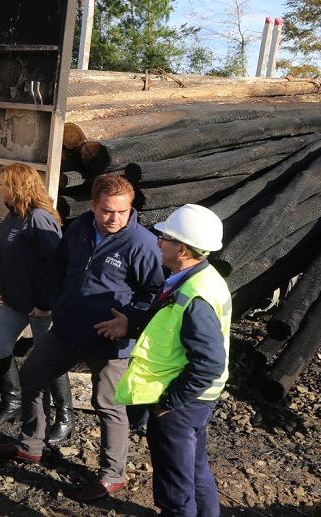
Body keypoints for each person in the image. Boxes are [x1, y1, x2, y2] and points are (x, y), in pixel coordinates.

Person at [0, 174, 164, 503]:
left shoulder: (141, 243)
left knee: (108, 404)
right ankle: (31, 446)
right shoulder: (80, 228)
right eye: (108, 211)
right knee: (32, 375)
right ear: (93, 205)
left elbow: (153, 294)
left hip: (108, 339)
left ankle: (112, 475)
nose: (116, 219)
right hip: (67, 328)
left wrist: (130, 322)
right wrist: (49, 302)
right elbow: (59, 266)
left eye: (123, 212)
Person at [97, 204, 232, 517]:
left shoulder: (195, 296)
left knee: (175, 489)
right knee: (196, 470)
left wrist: (169, 402)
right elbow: (171, 325)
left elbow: (209, 363)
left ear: (182, 249)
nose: (158, 242)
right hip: (195, 402)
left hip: (180, 404)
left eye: (164, 238)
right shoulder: (199, 278)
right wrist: (131, 324)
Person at [0, 163, 75, 444]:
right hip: (15, 300)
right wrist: (3, 283)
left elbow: (56, 264)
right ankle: (13, 403)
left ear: (17, 187)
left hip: (40, 306)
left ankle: (65, 416)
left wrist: (46, 304)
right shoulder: (13, 216)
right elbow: (10, 255)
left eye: (3, 184)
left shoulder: (39, 219)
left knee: (49, 360)